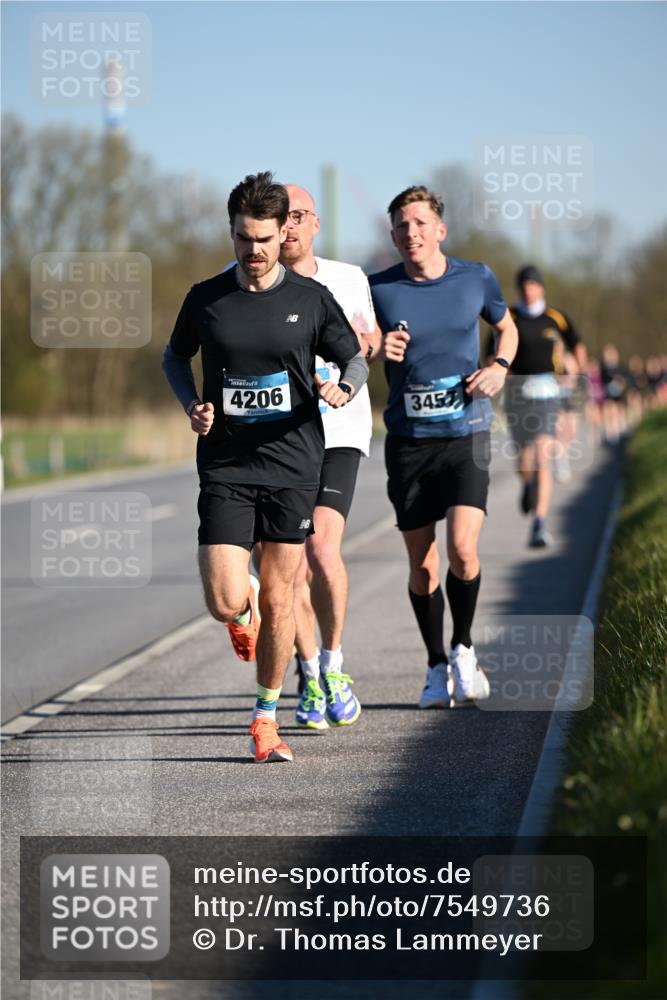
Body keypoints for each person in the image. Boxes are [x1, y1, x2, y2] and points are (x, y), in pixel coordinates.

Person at [162, 172, 367, 763]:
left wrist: (344, 391)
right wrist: (190, 405)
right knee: (226, 601)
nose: (253, 251)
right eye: (242, 238)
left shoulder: (310, 300)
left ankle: (266, 717)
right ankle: (240, 604)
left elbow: (353, 360)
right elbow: (175, 357)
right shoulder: (206, 298)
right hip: (226, 463)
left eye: (264, 239)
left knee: (284, 597)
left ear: (285, 234)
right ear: (232, 233)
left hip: (294, 464)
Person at [369, 185, 518, 709]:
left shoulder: (475, 277)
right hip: (409, 443)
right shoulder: (378, 289)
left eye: (419, 222)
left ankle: (463, 647)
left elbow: (507, 327)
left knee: (463, 549)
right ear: (393, 236)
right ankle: (435, 665)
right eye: (402, 226)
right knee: (424, 565)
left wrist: (499, 367)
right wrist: (373, 348)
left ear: (439, 229)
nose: (411, 232)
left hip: (467, 434)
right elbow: (349, 344)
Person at [279, 185, 382, 730]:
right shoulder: (251, 278)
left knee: (320, 549)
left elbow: (370, 337)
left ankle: (334, 662)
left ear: (315, 222)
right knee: (286, 565)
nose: (289, 226)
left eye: (298, 216)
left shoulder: (348, 277)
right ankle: (310, 672)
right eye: (281, 217)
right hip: (278, 439)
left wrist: (346, 364)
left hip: (339, 429)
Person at [503, 265, 586, 547]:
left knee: (543, 455)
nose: (529, 289)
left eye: (533, 284)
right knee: (524, 459)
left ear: (541, 288)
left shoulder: (556, 318)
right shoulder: (509, 317)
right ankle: (527, 485)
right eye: (524, 285)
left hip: (548, 393)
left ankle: (539, 523)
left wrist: (576, 374)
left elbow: (578, 345)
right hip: (517, 395)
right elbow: (494, 354)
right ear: (519, 289)